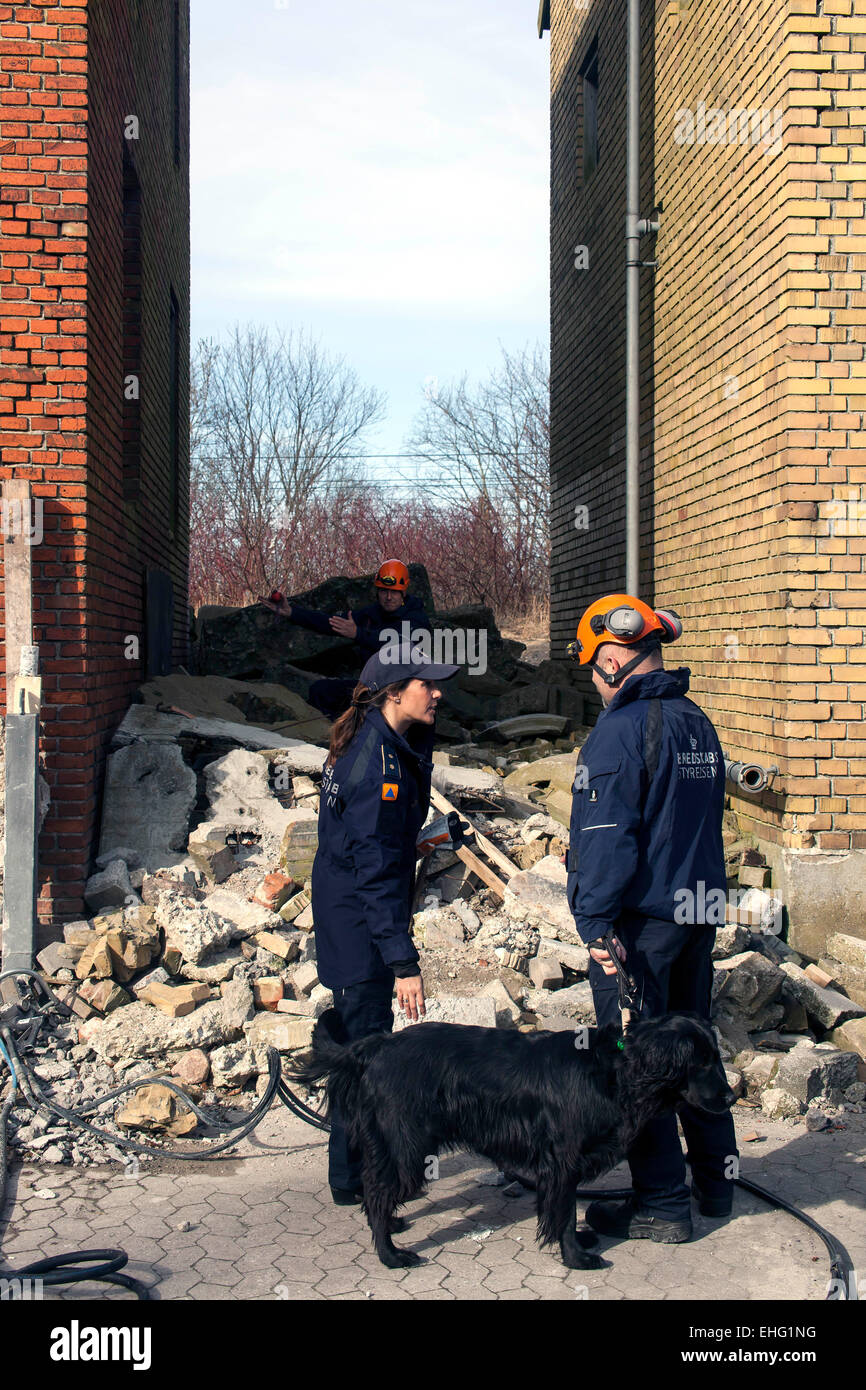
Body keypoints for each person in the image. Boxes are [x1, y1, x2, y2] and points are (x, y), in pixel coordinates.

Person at [565, 593, 738, 1243]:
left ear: (614, 658)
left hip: (641, 926)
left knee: (638, 1060)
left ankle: (663, 1204)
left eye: (591, 666)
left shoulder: (618, 731)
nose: (592, 679)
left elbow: (606, 838)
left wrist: (593, 924)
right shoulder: (697, 721)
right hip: (696, 913)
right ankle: (717, 1185)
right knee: (694, 1046)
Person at [311, 644, 459, 1207]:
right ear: (395, 692)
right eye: (428, 685)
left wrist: (423, 840)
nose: (439, 693)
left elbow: (369, 844)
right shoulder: (375, 763)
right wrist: (403, 964)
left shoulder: (388, 741)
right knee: (365, 1056)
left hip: (356, 913)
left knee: (361, 1048)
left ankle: (356, 1175)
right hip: (361, 926)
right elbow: (371, 872)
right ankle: (356, 1182)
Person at [258, 559, 433, 719]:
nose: (388, 597)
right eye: (384, 591)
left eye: (394, 592)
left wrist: (359, 634)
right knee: (321, 691)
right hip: (372, 688)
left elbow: (398, 644)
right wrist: (292, 613)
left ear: (404, 591)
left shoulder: (416, 618)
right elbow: (331, 622)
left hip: (403, 692)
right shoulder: (371, 614)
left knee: (373, 710)